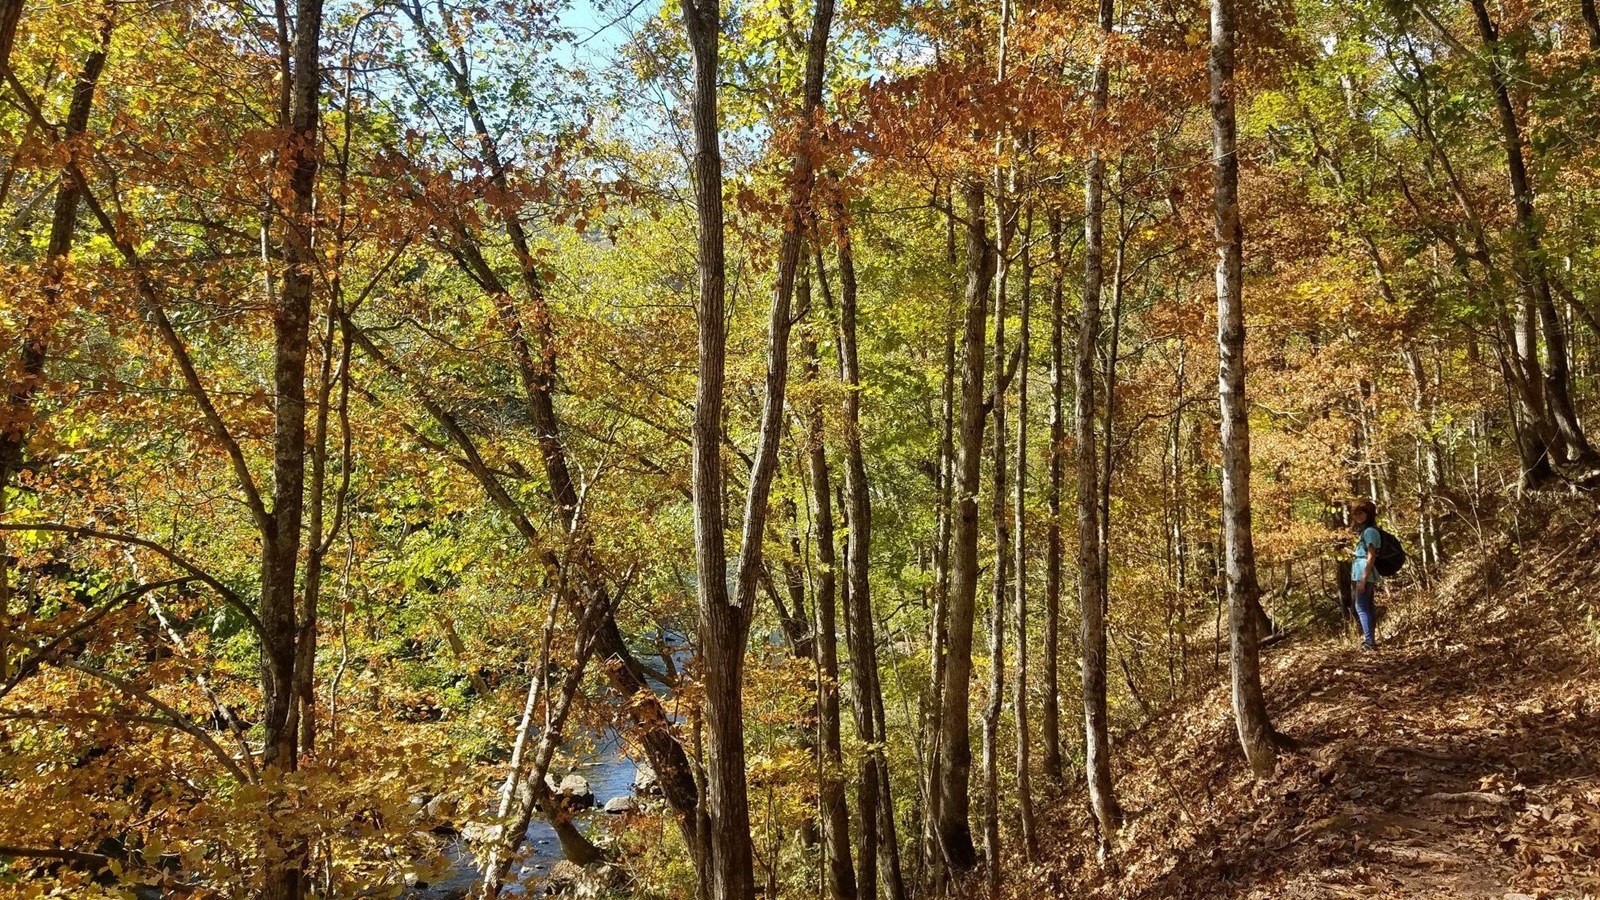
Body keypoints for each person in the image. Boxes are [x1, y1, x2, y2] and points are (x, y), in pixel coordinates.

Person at [1349, 498, 1381, 651]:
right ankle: (1371, 640)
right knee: (1367, 606)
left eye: (1361, 513)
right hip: (1362, 570)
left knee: (1361, 606)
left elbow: (1371, 556)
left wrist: (1363, 578)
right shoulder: (1367, 531)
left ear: (1369, 514)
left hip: (1364, 572)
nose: (1358, 516)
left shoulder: (1369, 531)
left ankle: (1369, 642)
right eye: (1356, 514)